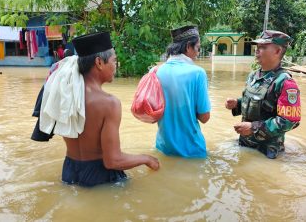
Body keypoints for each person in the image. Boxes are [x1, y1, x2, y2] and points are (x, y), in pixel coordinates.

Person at [38, 32, 159, 187]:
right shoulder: (109, 103)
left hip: (69, 172)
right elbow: (113, 161)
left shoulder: (64, 94)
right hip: (99, 176)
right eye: (114, 61)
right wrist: (147, 159)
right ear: (99, 63)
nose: (116, 66)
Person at [225, 30, 301, 159]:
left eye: (263, 47)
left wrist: (254, 128)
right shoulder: (253, 75)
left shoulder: (285, 82)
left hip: (267, 151)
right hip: (245, 143)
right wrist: (237, 104)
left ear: (277, 51)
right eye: (257, 47)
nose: (257, 50)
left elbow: (290, 120)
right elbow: (257, 103)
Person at [155, 25, 211, 158]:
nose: (198, 53)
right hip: (192, 150)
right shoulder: (198, 73)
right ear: (188, 47)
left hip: (163, 147)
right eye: (197, 48)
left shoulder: (156, 71)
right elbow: (205, 117)